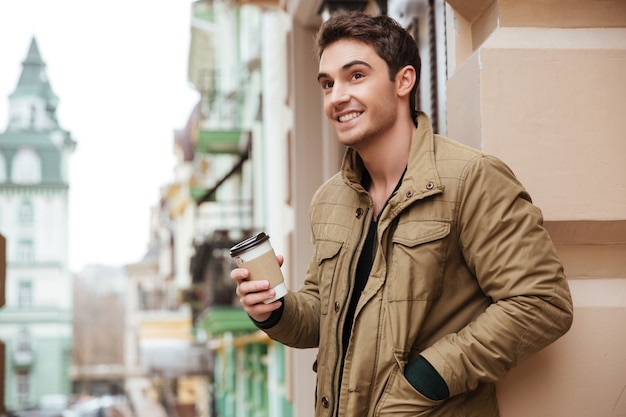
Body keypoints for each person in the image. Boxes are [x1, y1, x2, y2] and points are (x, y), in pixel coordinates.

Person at [231, 10, 573, 417]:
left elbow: (542, 302)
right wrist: (275, 310)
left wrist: (427, 379)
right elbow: (325, 316)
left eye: (355, 75)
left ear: (403, 81)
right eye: (327, 83)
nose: (337, 96)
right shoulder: (328, 200)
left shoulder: (470, 178)